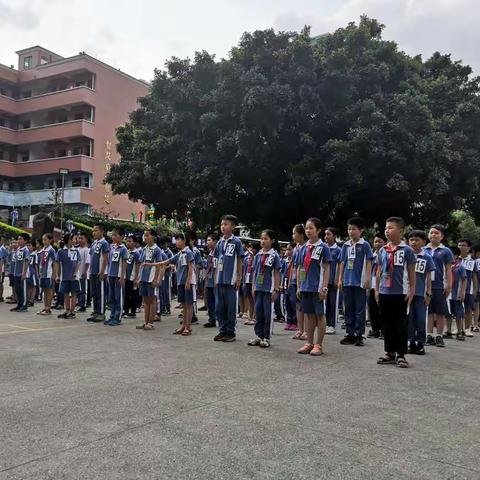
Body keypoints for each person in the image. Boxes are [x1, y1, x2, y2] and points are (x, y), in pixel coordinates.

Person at [375, 217, 416, 368]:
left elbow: (411, 272)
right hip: (385, 292)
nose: (387, 231)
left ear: (401, 230)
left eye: (391, 228)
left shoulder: (407, 251)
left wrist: (412, 290)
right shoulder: (382, 250)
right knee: (386, 323)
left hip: (401, 293)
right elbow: (379, 271)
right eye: (386, 228)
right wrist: (377, 289)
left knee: (400, 324)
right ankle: (389, 352)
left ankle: (401, 354)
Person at [296, 218, 331, 356]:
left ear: (318, 230)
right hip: (305, 287)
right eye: (306, 228)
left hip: (317, 288)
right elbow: (299, 268)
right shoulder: (303, 248)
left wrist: (324, 287)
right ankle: (309, 343)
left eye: (311, 228)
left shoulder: (323, 248)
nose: (308, 231)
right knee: (309, 315)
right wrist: (299, 286)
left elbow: (326, 268)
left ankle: (319, 345)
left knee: (320, 315)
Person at [338, 217, 373, 346]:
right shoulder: (345, 245)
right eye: (349, 229)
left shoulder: (365, 245)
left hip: (360, 282)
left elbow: (369, 261)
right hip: (347, 281)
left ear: (361, 230)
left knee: (360, 309)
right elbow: (342, 262)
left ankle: (359, 334)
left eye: (354, 229)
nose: (351, 231)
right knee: (348, 308)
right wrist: (340, 279)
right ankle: (350, 333)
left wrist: (368, 278)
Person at [155, 233, 197, 335]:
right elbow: (167, 261)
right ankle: (183, 325)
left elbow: (191, 267)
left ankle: (188, 327)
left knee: (189, 304)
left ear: (184, 241)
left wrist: (188, 280)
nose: (176, 242)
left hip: (188, 282)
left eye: (178, 239)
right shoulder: (179, 253)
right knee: (183, 304)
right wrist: (151, 264)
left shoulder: (188, 252)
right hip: (180, 282)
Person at [213, 215, 244, 343]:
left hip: (231, 280)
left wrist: (238, 277)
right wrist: (215, 277)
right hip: (220, 279)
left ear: (232, 226)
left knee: (230, 307)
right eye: (222, 224)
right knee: (219, 306)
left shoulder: (236, 242)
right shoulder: (220, 242)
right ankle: (222, 330)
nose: (223, 227)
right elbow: (217, 260)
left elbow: (240, 260)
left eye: (226, 224)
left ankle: (230, 332)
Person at [248, 230, 281, 348]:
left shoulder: (274, 255)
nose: (263, 241)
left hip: (268, 289)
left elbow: (277, 273)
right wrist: (253, 287)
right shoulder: (258, 255)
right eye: (261, 238)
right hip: (258, 289)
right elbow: (255, 272)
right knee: (258, 313)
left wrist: (276, 289)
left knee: (267, 313)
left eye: (266, 239)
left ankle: (266, 337)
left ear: (272, 240)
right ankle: (259, 335)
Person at [424, 224, 453, 347]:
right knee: (429, 311)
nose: (433, 235)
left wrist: (449, 285)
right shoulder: (424, 249)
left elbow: (448, 270)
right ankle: (429, 335)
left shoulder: (445, 251)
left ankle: (439, 336)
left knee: (440, 312)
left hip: (439, 285)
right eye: (431, 232)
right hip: (425, 285)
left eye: (436, 233)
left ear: (442, 236)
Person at [407, 230, 435, 355]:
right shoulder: (406, 255)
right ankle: (411, 342)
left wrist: (428, 293)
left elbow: (429, 277)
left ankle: (420, 343)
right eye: (411, 239)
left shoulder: (427, 257)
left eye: (416, 239)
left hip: (420, 294)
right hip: (407, 293)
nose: (413, 242)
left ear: (424, 242)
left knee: (420, 319)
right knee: (409, 319)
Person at [136, 229, 162, 330]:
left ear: (153, 237)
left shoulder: (157, 250)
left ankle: (151, 322)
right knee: (145, 301)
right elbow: (141, 264)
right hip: (144, 278)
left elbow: (159, 265)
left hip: (151, 278)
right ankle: (145, 321)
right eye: (144, 235)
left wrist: (155, 279)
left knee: (151, 300)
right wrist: (139, 277)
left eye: (147, 235)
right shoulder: (144, 249)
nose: (145, 237)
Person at [55, 233, 80, 319]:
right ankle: (67, 310)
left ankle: (72, 311)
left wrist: (75, 273)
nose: (75, 241)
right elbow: (58, 263)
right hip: (64, 276)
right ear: (69, 240)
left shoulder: (76, 250)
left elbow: (78, 262)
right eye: (74, 239)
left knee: (73, 293)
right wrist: (57, 275)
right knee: (65, 293)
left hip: (74, 276)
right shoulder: (61, 251)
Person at [87, 225, 110, 323]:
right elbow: (92, 257)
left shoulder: (104, 243)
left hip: (100, 272)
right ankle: (95, 311)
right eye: (93, 231)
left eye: (96, 231)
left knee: (101, 293)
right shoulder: (94, 243)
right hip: (93, 271)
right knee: (94, 293)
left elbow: (105, 257)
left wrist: (102, 271)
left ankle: (101, 313)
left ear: (102, 232)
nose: (94, 233)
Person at [106, 228, 128, 326]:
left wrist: (122, 276)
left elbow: (124, 263)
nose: (113, 237)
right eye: (112, 235)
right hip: (111, 275)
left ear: (122, 237)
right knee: (111, 297)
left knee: (118, 297)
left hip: (118, 275)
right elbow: (109, 261)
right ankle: (112, 316)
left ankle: (118, 317)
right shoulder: (112, 247)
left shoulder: (123, 249)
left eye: (115, 235)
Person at [446, 246, 467, 341]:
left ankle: (459, 332)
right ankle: (448, 331)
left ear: (456, 255)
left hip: (457, 294)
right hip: (447, 294)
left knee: (459, 314)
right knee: (448, 314)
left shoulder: (460, 266)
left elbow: (464, 280)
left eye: (451, 254)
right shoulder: (446, 266)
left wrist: (462, 292)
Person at [367, 234, 386, 338]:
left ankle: (384, 330)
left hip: (383, 284)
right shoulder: (372, 256)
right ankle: (375, 329)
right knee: (372, 307)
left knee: (382, 308)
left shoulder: (386, 254)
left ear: (384, 242)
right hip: (373, 284)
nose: (377, 244)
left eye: (380, 241)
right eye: (375, 242)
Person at [458, 239, 477, 337]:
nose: (461, 247)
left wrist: (474, 289)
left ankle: (467, 328)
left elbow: (474, 276)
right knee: (457, 309)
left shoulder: (472, 261)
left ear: (468, 248)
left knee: (468, 309)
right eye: (460, 245)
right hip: (456, 289)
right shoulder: (455, 259)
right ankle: (458, 328)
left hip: (468, 289)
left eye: (464, 245)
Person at [291, 224, 307, 340]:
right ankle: (300, 329)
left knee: (305, 307)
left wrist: (301, 283)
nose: (293, 236)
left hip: (304, 279)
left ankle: (307, 330)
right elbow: (294, 265)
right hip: (295, 279)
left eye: (294, 233)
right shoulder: (295, 248)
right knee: (297, 306)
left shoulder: (306, 247)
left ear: (301, 234)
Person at [324, 227, 341, 335]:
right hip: (323, 281)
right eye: (325, 234)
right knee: (324, 303)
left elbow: (340, 265)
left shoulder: (338, 250)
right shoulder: (323, 248)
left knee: (332, 303)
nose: (326, 237)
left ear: (334, 236)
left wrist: (337, 278)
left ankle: (331, 324)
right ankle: (324, 323)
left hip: (332, 280)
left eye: (329, 234)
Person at [37, 234, 56, 315]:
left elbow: (55, 262)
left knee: (49, 291)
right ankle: (45, 307)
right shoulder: (43, 250)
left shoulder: (51, 250)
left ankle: (48, 308)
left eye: (45, 240)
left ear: (50, 240)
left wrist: (54, 274)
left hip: (49, 273)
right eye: (43, 240)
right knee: (45, 291)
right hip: (43, 274)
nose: (43, 241)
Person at [11, 233, 30, 312]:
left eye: (20, 239)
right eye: (18, 239)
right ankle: (19, 304)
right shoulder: (18, 250)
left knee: (23, 290)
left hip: (22, 274)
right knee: (17, 289)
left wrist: (24, 273)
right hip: (16, 273)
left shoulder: (26, 250)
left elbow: (26, 261)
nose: (18, 241)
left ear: (25, 241)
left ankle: (24, 305)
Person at [124, 235, 141, 318]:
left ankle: (133, 311)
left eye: (130, 241)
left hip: (132, 277)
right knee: (126, 294)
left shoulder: (136, 253)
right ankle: (126, 310)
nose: (128, 243)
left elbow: (138, 266)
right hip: (126, 277)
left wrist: (136, 278)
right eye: (127, 241)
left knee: (133, 295)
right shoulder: (126, 251)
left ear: (134, 243)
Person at [204, 233, 218, 328]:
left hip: (215, 280)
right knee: (210, 301)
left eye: (209, 240)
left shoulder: (217, 253)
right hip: (209, 279)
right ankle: (211, 319)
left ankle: (218, 318)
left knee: (217, 300)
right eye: (207, 240)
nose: (207, 242)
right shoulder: (210, 253)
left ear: (215, 241)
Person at [282, 242, 297, 331]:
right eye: (287, 249)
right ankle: (289, 321)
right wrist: (281, 284)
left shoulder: (295, 261)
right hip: (286, 282)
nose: (288, 251)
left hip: (293, 283)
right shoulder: (285, 261)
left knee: (293, 302)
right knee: (286, 302)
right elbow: (283, 273)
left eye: (290, 249)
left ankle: (295, 322)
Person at [241, 242, 257, 325]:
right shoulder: (246, 258)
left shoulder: (256, 258)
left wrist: (253, 257)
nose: (251, 249)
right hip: (247, 280)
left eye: (252, 248)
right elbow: (244, 269)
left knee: (254, 300)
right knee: (249, 299)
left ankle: (254, 317)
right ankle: (250, 316)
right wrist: (243, 281)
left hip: (253, 281)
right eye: (250, 247)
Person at [159, 236, 173, 316]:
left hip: (167, 274)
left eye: (165, 243)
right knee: (161, 292)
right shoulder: (161, 252)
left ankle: (168, 308)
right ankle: (162, 307)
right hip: (161, 274)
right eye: (162, 244)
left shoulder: (169, 253)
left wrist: (164, 266)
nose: (164, 245)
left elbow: (171, 264)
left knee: (166, 292)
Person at [76, 232, 90, 313]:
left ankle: (82, 305)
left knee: (83, 290)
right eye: (79, 238)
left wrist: (85, 272)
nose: (80, 240)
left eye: (82, 238)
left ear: (86, 240)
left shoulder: (86, 250)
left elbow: (87, 262)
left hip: (83, 273)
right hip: (77, 274)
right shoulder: (77, 249)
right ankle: (78, 303)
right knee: (78, 289)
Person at [26, 240, 38, 306]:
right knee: (27, 286)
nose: (28, 247)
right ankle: (27, 299)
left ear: (33, 247)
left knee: (33, 286)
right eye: (27, 245)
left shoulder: (34, 255)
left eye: (30, 245)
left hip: (32, 273)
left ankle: (32, 300)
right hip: (26, 272)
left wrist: (36, 274)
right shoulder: (26, 253)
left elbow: (35, 265)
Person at [0, 236, 7, 302]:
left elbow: (2, 260)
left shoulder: (2, 249)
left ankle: (0, 296)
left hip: (1, 269)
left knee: (0, 283)